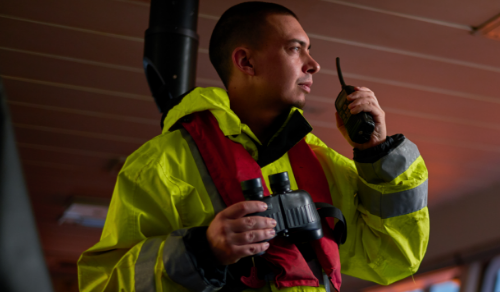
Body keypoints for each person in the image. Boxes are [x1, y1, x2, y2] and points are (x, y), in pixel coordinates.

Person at [77, 2, 429, 292]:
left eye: (309, 50)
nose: (314, 64)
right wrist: (203, 251)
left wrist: (377, 154)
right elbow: (101, 285)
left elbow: (392, 259)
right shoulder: (159, 164)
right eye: (295, 49)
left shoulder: (318, 161)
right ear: (246, 62)